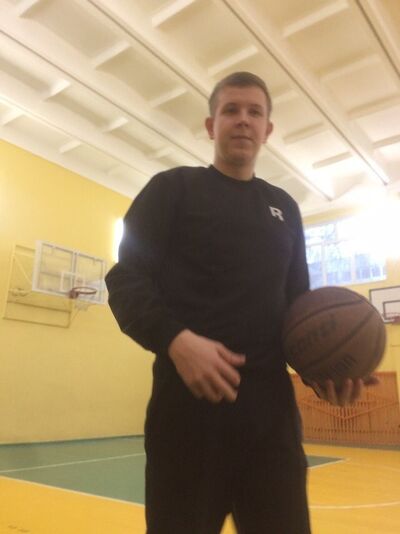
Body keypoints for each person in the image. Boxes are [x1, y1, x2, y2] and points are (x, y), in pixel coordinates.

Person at [105, 71, 367, 533]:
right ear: (211, 126)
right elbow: (125, 280)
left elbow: (298, 308)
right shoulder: (172, 188)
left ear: (267, 130)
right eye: (231, 110)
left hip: (270, 426)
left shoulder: (285, 207)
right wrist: (177, 341)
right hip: (185, 422)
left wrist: (322, 371)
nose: (243, 120)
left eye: (254, 112)